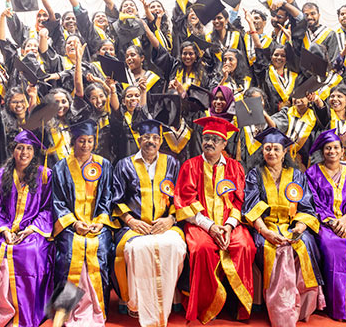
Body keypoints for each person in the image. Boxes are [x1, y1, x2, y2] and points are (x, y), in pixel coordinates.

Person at [174, 116, 256, 323]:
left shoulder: (235, 167)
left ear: (224, 144)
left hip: (230, 223)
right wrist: (210, 226)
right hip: (200, 223)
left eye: (215, 139)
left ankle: (236, 305)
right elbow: (184, 202)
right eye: (206, 138)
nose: (209, 143)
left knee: (244, 246)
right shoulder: (190, 166)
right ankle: (206, 305)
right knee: (201, 248)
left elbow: (240, 201)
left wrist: (228, 226)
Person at [243, 128, 324, 327]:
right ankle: (281, 311)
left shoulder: (297, 175)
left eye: (276, 149)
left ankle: (303, 306)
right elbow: (251, 207)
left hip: (292, 226)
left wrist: (300, 227)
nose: (271, 152)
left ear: (285, 151)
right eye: (267, 148)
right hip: (265, 227)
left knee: (305, 244)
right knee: (275, 249)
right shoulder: (255, 175)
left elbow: (307, 207)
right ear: (262, 150)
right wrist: (265, 232)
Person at [111, 119, 186, 327]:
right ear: (139, 140)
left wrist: (171, 219)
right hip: (134, 226)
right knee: (136, 249)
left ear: (160, 141)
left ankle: (169, 298)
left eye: (154, 138)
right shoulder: (124, 165)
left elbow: (180, 197)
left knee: (175, 246)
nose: (150, 141)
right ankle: (136, 302)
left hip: (165, 224)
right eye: (146, 138)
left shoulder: (172, 163)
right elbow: (116, 199)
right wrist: (131, 221)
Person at [0, 130, 54, 327]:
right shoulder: (0, 176)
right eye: (20, 148)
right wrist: (5, 231)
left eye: (29, 148)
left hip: (33, 230)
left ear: (34, 152)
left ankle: (25, 312)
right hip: (4, 230)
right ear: (13, 150)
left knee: (30, 251)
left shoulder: (45, 176)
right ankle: (2, 310)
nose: (24, 152)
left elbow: (48, 209)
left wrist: (31, 229)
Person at [51, 120, 115, 326]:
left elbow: (107, 198)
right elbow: (58, 201)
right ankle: (64, 310)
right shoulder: (61, 167)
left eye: (89, 141)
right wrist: (74, 223)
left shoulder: (104, 165)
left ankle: (97, 308)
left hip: (97, 225)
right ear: (73, 141)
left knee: (101, 250)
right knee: (69, 254)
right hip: (71, 226)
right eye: (81, 141)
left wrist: (101, 222)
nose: (86, 145)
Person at [305, 130, 346, 321]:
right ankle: (337, 306)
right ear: (322, 151)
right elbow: (312, 202)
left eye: (336, 148)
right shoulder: (312, 173)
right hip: (325, 224)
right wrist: (333, 222)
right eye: (328, 148)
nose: (332, 151)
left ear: (343, 151)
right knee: (334, 247)